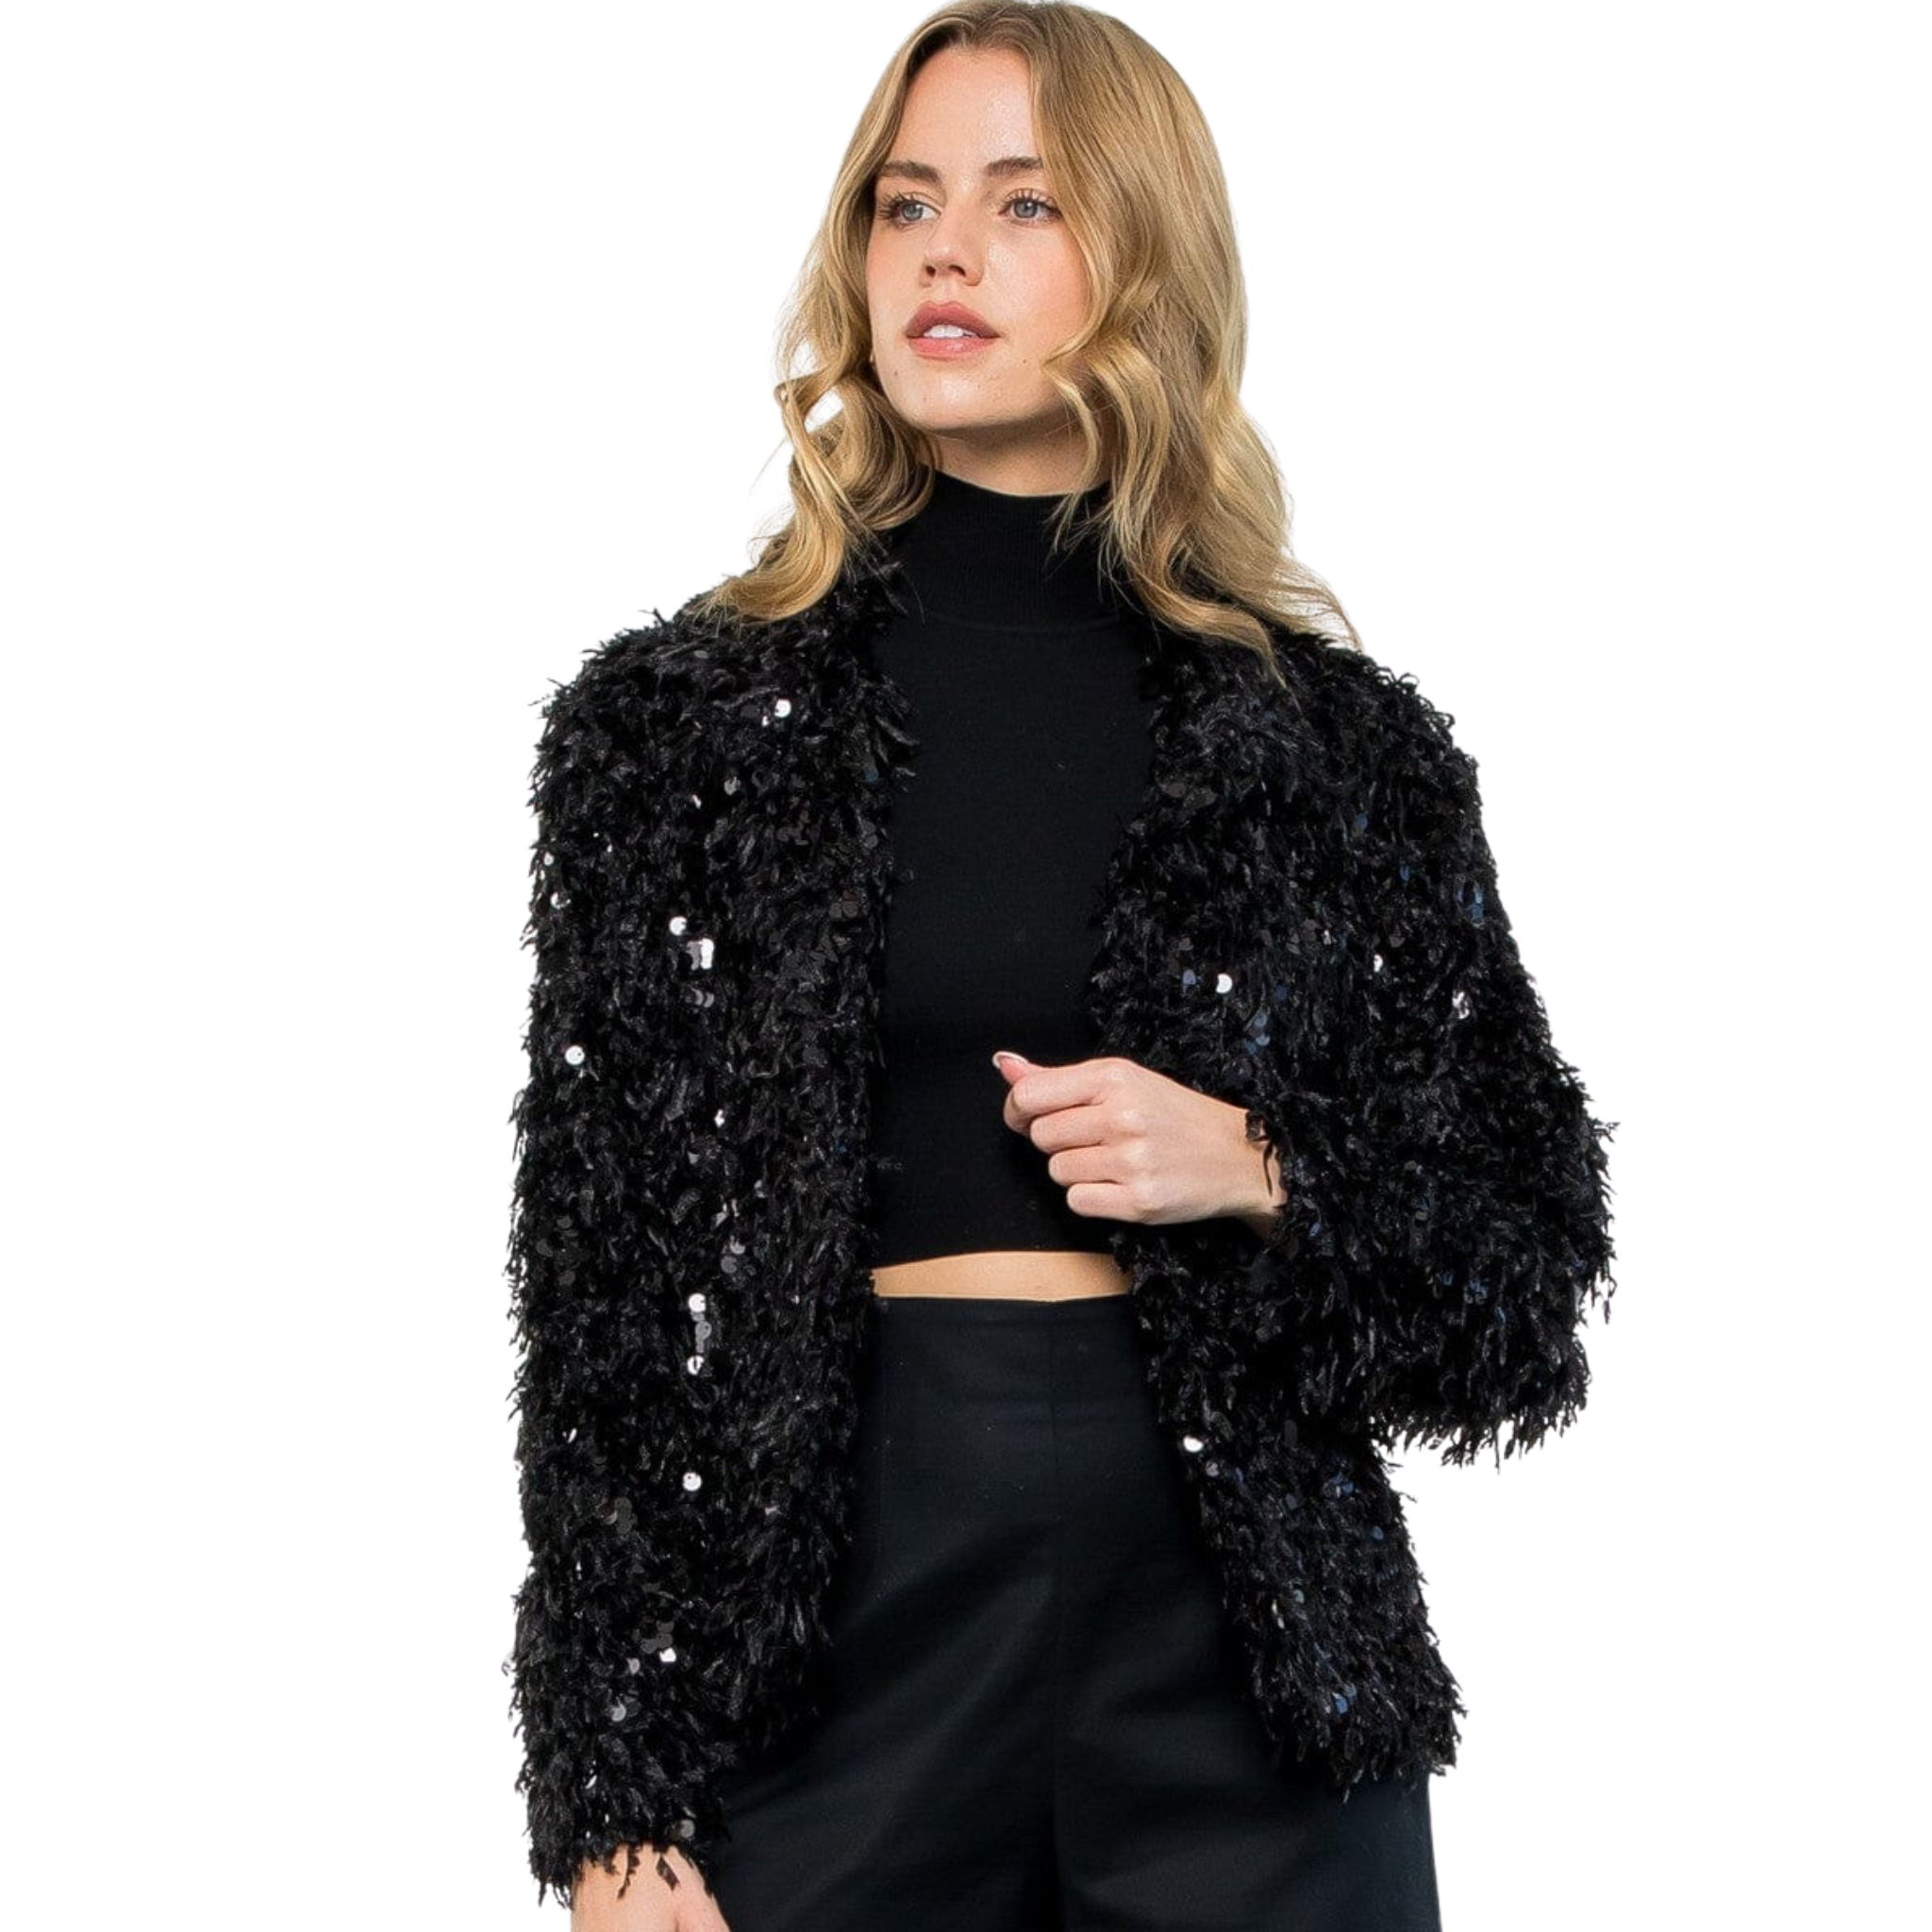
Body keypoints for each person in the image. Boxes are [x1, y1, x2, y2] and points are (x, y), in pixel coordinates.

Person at [505, 5, 1617, 1929]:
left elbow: (1521, 1286)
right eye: (905, 202)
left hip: (1240, 1633)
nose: (944, 253)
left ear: (1147, 262)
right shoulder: (677, 728)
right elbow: (602, 1294)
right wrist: (608, 1789)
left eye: (1025, 205)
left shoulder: (1332, 748)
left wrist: (1255, 1167)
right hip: (834, 1615)